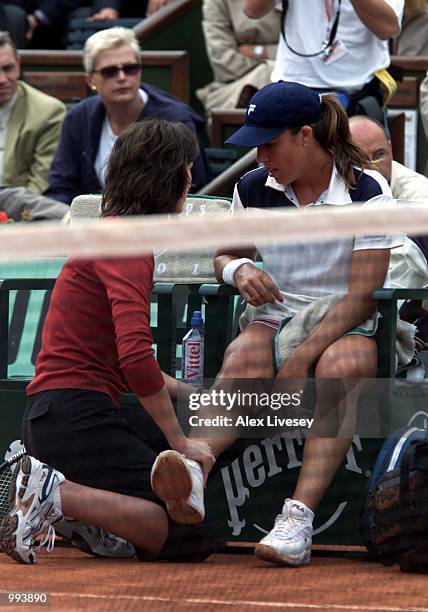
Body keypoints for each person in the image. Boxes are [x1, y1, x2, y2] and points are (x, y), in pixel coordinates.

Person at [149, 81, 403, 567]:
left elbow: (361, 298)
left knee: (341, 364)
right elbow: (226, 254)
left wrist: (302, 355)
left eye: (269, 143)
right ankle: (197, 471)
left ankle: (298, 519)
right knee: (242, 354)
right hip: (278, 316)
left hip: (348, 320)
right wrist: (238, 269)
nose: (259, 155)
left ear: (305, 136)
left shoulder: (370, 192)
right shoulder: (251, 188)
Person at [0, 119, 218, 565]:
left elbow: (125, 364)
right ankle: (56, 494)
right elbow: (135, 356)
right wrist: (179, 441)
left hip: (57, 416)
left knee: (180, 508)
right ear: (169, 176)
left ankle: (80, 516)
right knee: (190, 537)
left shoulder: (114, 233)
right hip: (76, 418)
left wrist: (194, 396)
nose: (192, 178)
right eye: (187, 168)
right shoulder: (127, 243)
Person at [44, 27, 210, 205]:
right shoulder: (79, 117)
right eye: (110, 71)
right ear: (90, 80)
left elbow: (191, 191)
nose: (122, 77)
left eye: (130, 68)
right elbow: (61, 186)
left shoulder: (175, 121)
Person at [244, 0, 404, 121]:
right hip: (293, 89)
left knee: (360, 164)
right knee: (285, 164)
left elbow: (388, 28)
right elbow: (252, 9)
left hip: (357, 95)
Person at [0, 31, 66, 194]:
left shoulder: (48, 112)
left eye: (8, 68)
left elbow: (39, 186)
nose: (2, 79)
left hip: (17, 213)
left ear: (18, 63)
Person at [196, 0, 282, 116]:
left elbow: (301, 52)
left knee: (271, 74)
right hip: (232, 86)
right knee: (266, 76)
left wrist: (261, 51)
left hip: (290, 76)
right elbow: (224, 62)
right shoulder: (216, 2)